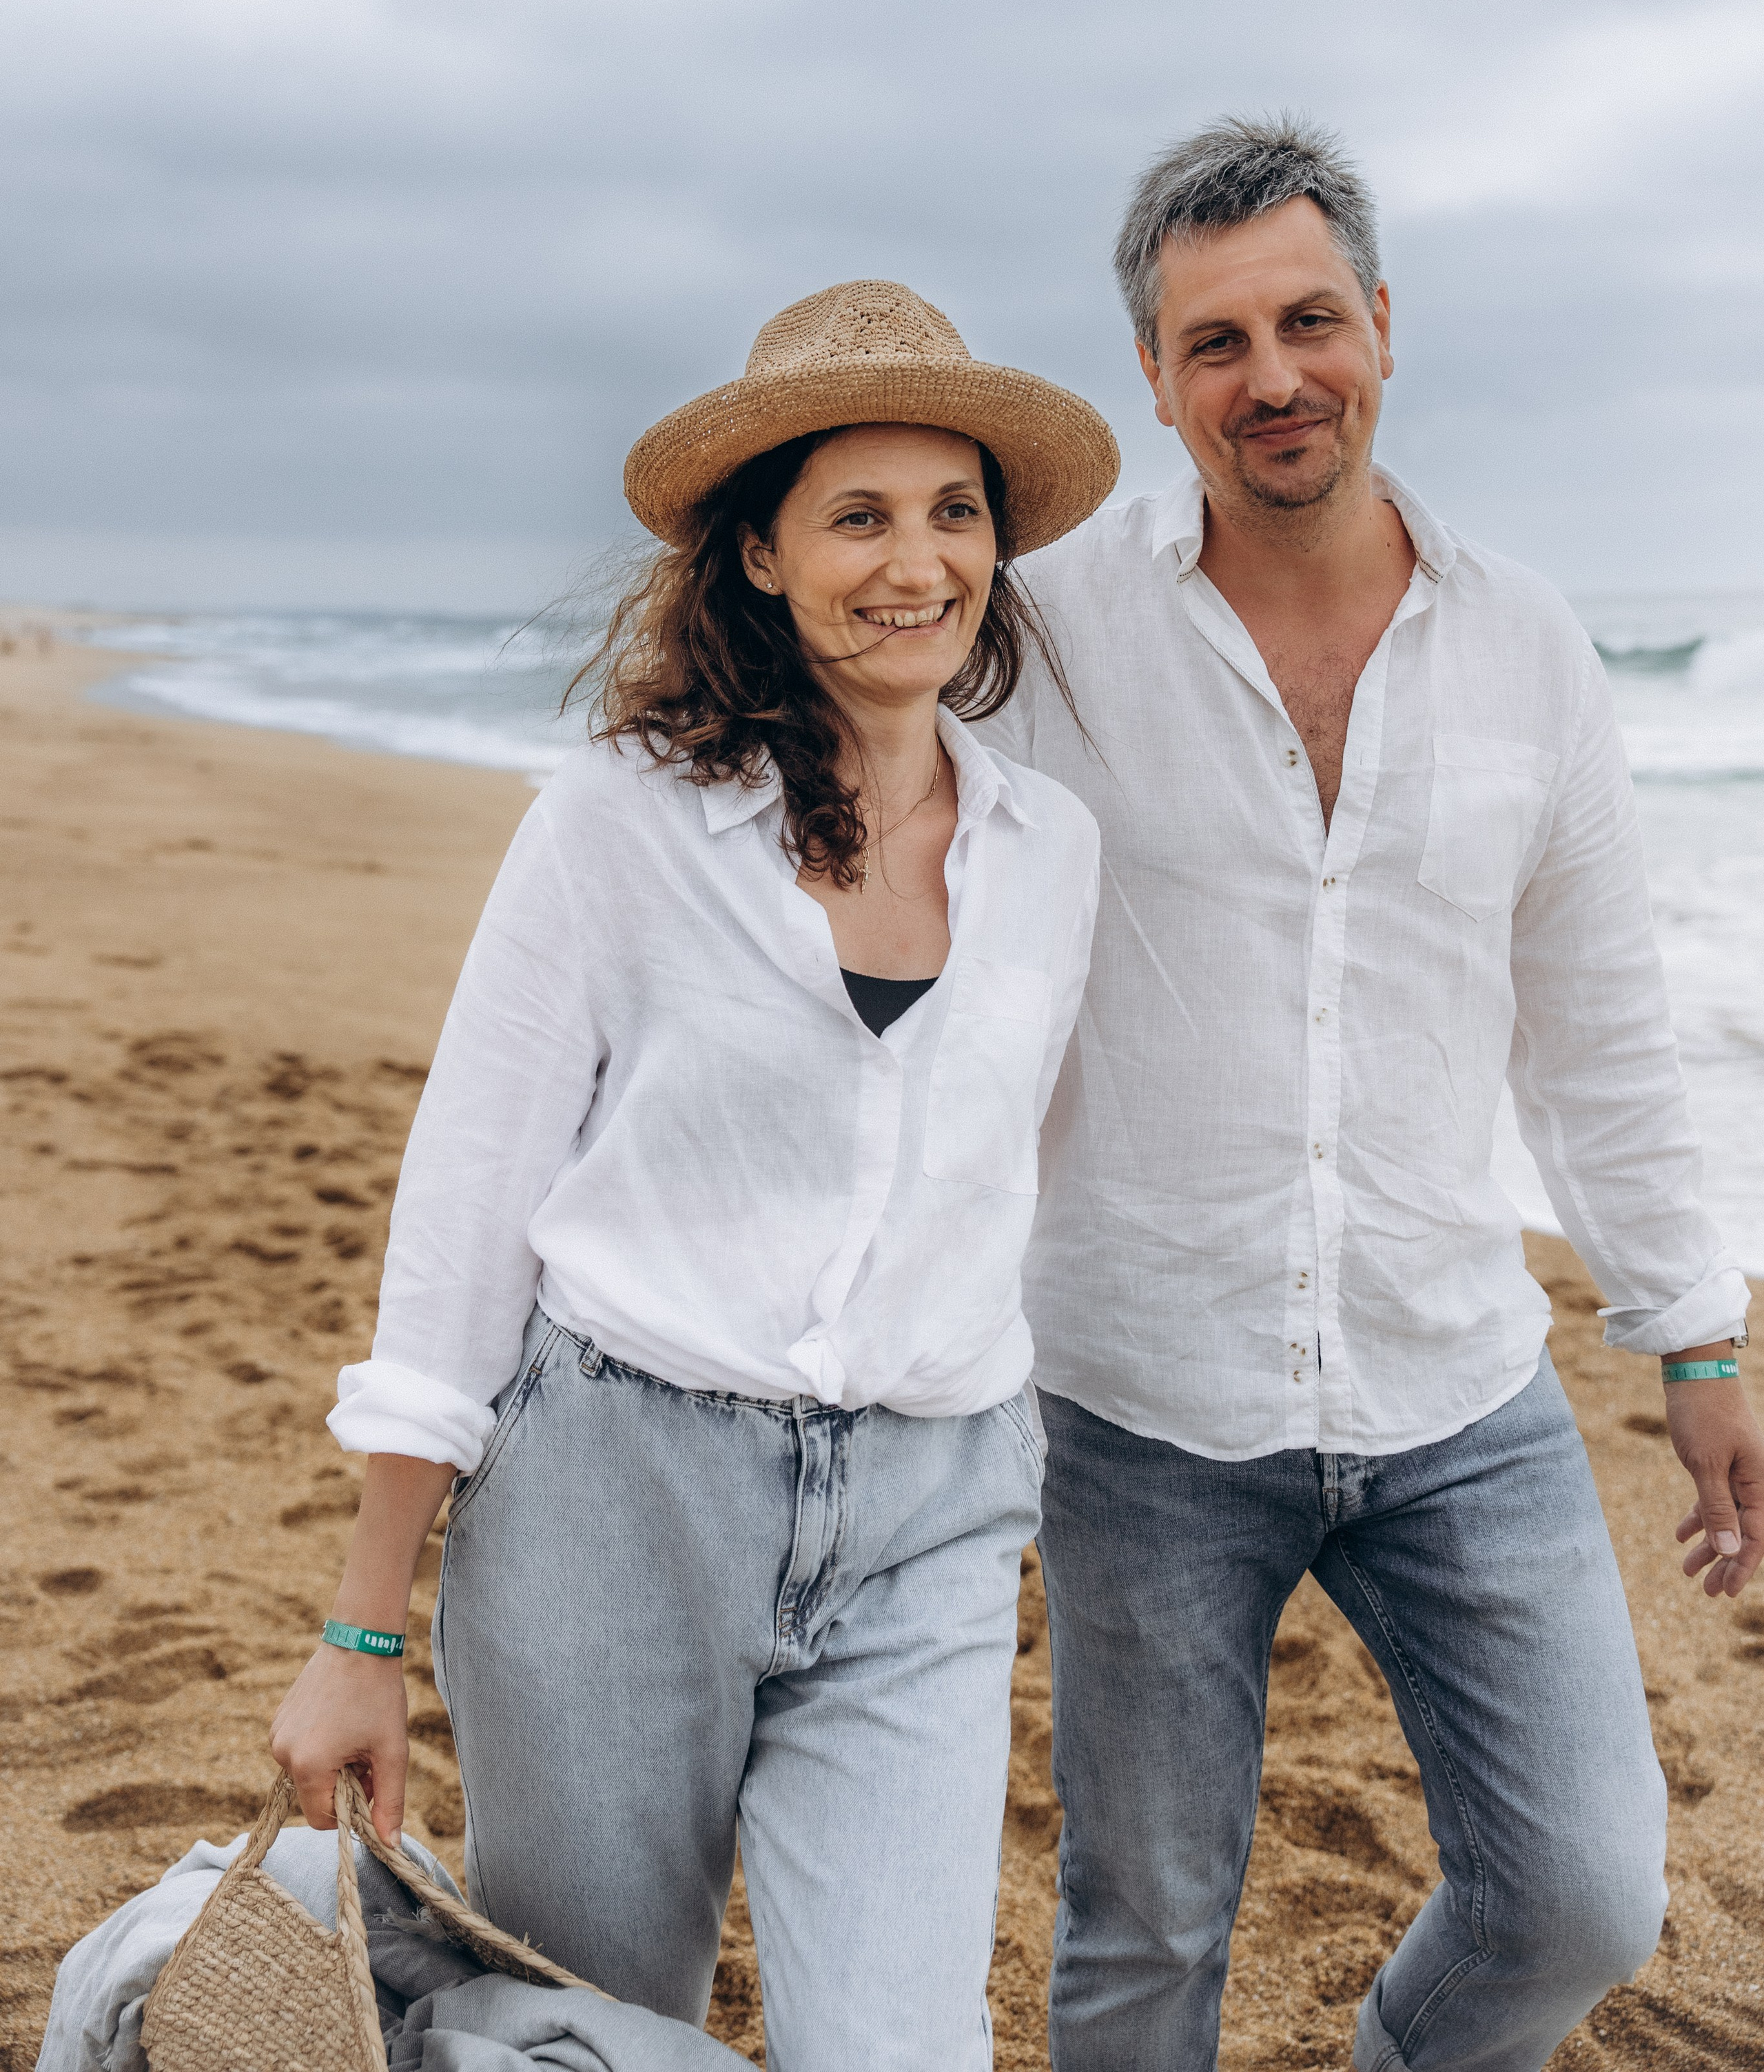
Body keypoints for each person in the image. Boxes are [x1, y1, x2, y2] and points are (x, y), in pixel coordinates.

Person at [269, 278, 1117, 2072]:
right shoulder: (617, 822)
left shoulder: (1056, 857)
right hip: (612, 1506)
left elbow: (1009, 1192)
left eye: (956, 512)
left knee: (902, 2049)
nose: (918, 562)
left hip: (931, 1528)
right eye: (859, 516)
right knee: (591, 2035)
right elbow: (467, 1207)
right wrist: (363, 1623)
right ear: (759, 556)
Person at [985, 119, 1762, 2072]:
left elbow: (1597, 1029)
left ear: (1386, 329)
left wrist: (1693, 1333)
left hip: (1458, 1386)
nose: (1273, 378)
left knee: (1587, 1894)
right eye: (1218, 343)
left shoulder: (1531, 646)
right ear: (1155, 383)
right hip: (1141, 1396)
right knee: (1143, 1929)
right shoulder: (1048, 635)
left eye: (1309, 320)